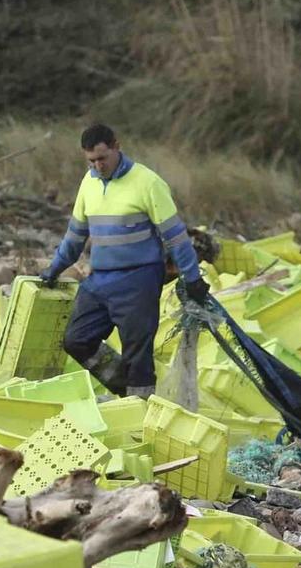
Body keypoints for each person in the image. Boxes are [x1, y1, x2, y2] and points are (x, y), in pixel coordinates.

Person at [39, 124, 207, 397]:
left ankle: (140, 412)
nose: (98, 165)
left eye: (102, 158)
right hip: (100, 280)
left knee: (137, 355)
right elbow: (75, 235)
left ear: (117, 146)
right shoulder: (89, 182)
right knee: (76, 340)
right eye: (91, 160)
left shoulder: (148, 183)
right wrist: (54, 268)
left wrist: (193, 278)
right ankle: (122, 384)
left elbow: (175, 237)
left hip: (138, 280)